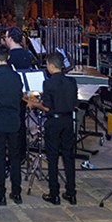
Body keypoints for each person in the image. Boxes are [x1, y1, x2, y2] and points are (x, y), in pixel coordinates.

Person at [27, 51, 77, 205]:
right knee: (69, 157)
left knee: (53, 157)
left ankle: (54, 193)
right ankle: (71, 192)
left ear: (51, 65)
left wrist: (34, 104)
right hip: (68, 121)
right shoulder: (72, 82)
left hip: (54, 122)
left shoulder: (48, 83)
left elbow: (47, 107)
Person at [0, 44, 23, 205]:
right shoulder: (16, 76)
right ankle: (17, 192)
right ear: (8, 57)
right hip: (14, 121)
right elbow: (19, 97)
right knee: (15, 157)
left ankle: (0, 194)